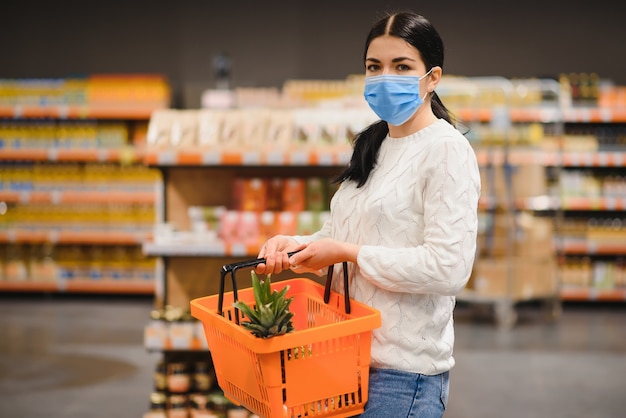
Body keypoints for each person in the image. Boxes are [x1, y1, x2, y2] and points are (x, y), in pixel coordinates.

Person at [256, 11, 481, 418]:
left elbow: (449, 267)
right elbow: (342, 233)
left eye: (401, 66)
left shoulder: (447, 151)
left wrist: (349, 252)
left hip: (401, 375)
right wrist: (298, 247)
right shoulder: (373, 144)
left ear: (432, 78)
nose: (383, 77)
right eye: (374, 67)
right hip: (341, 357)